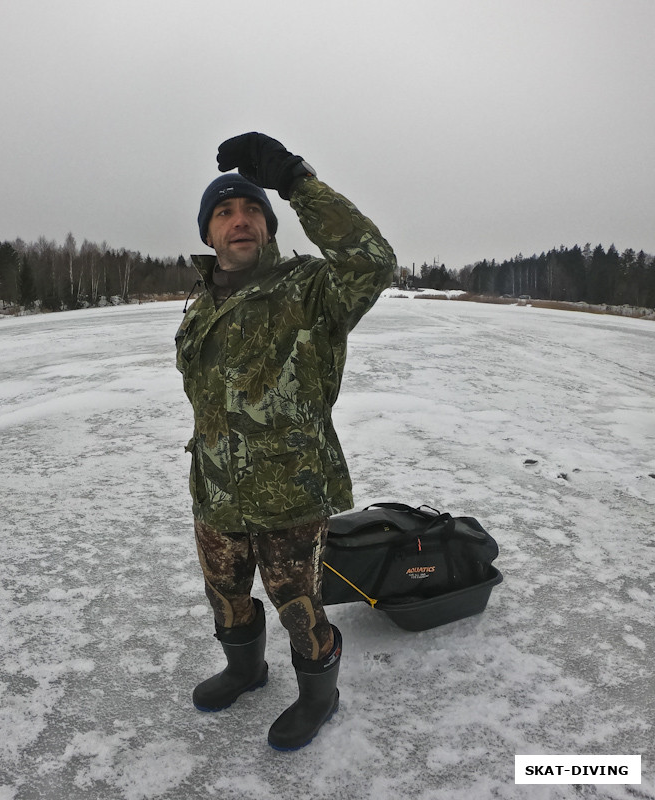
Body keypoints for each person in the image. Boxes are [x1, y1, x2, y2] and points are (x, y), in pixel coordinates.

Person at [175, 132, 395, 750]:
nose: (239, 220)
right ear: (208, 233)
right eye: (224, 212)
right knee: (225, 593)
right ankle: (246, 670)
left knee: (298, 607)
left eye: (251, 211)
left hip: (290, 494)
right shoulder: (200, 307)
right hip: (215, 491)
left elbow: (373, 261)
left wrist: (296, 181)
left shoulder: (309, 291)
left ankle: (317, 698)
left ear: (269, 226)